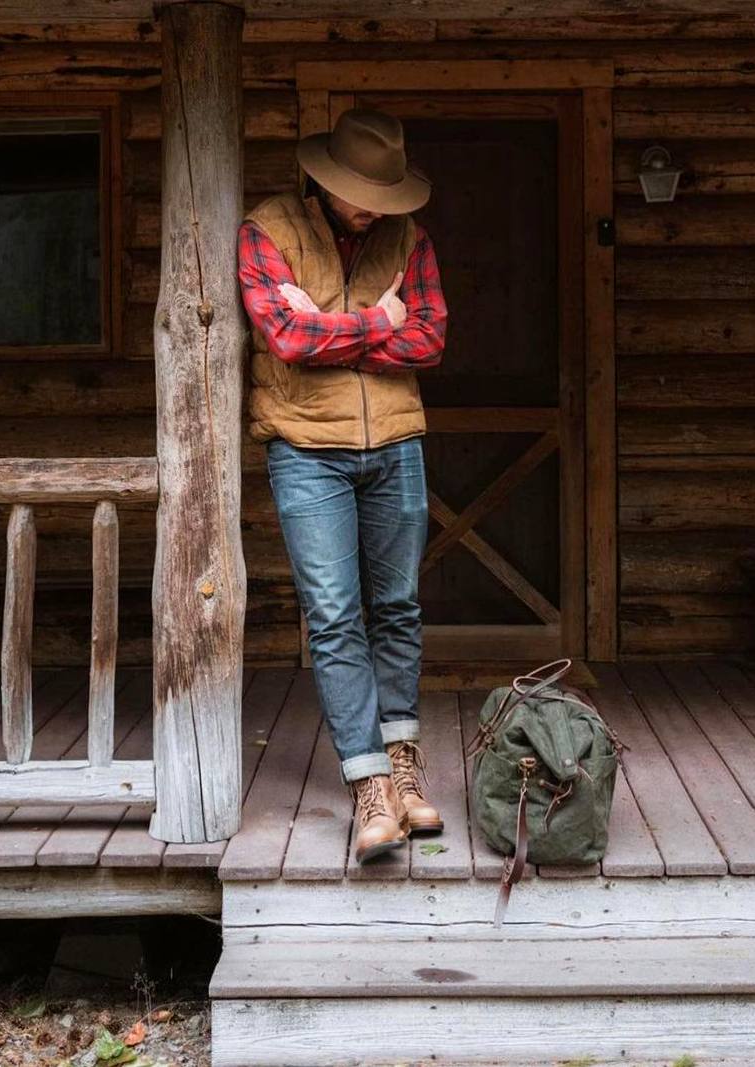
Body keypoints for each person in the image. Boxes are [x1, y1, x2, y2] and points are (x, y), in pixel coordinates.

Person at [237, 107, 448, 863]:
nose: (374, 210)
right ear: (324, 181)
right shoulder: (266, 230)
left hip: (396, 442)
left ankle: (404, 770)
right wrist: (377, 322)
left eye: (384, 196)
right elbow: (285, 338)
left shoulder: (408, 237)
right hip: (306, 449)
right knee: (333, 618)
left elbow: (429, 338)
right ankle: (369, 786)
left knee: (398, 608)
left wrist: (334, 329)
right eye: (362, 195)